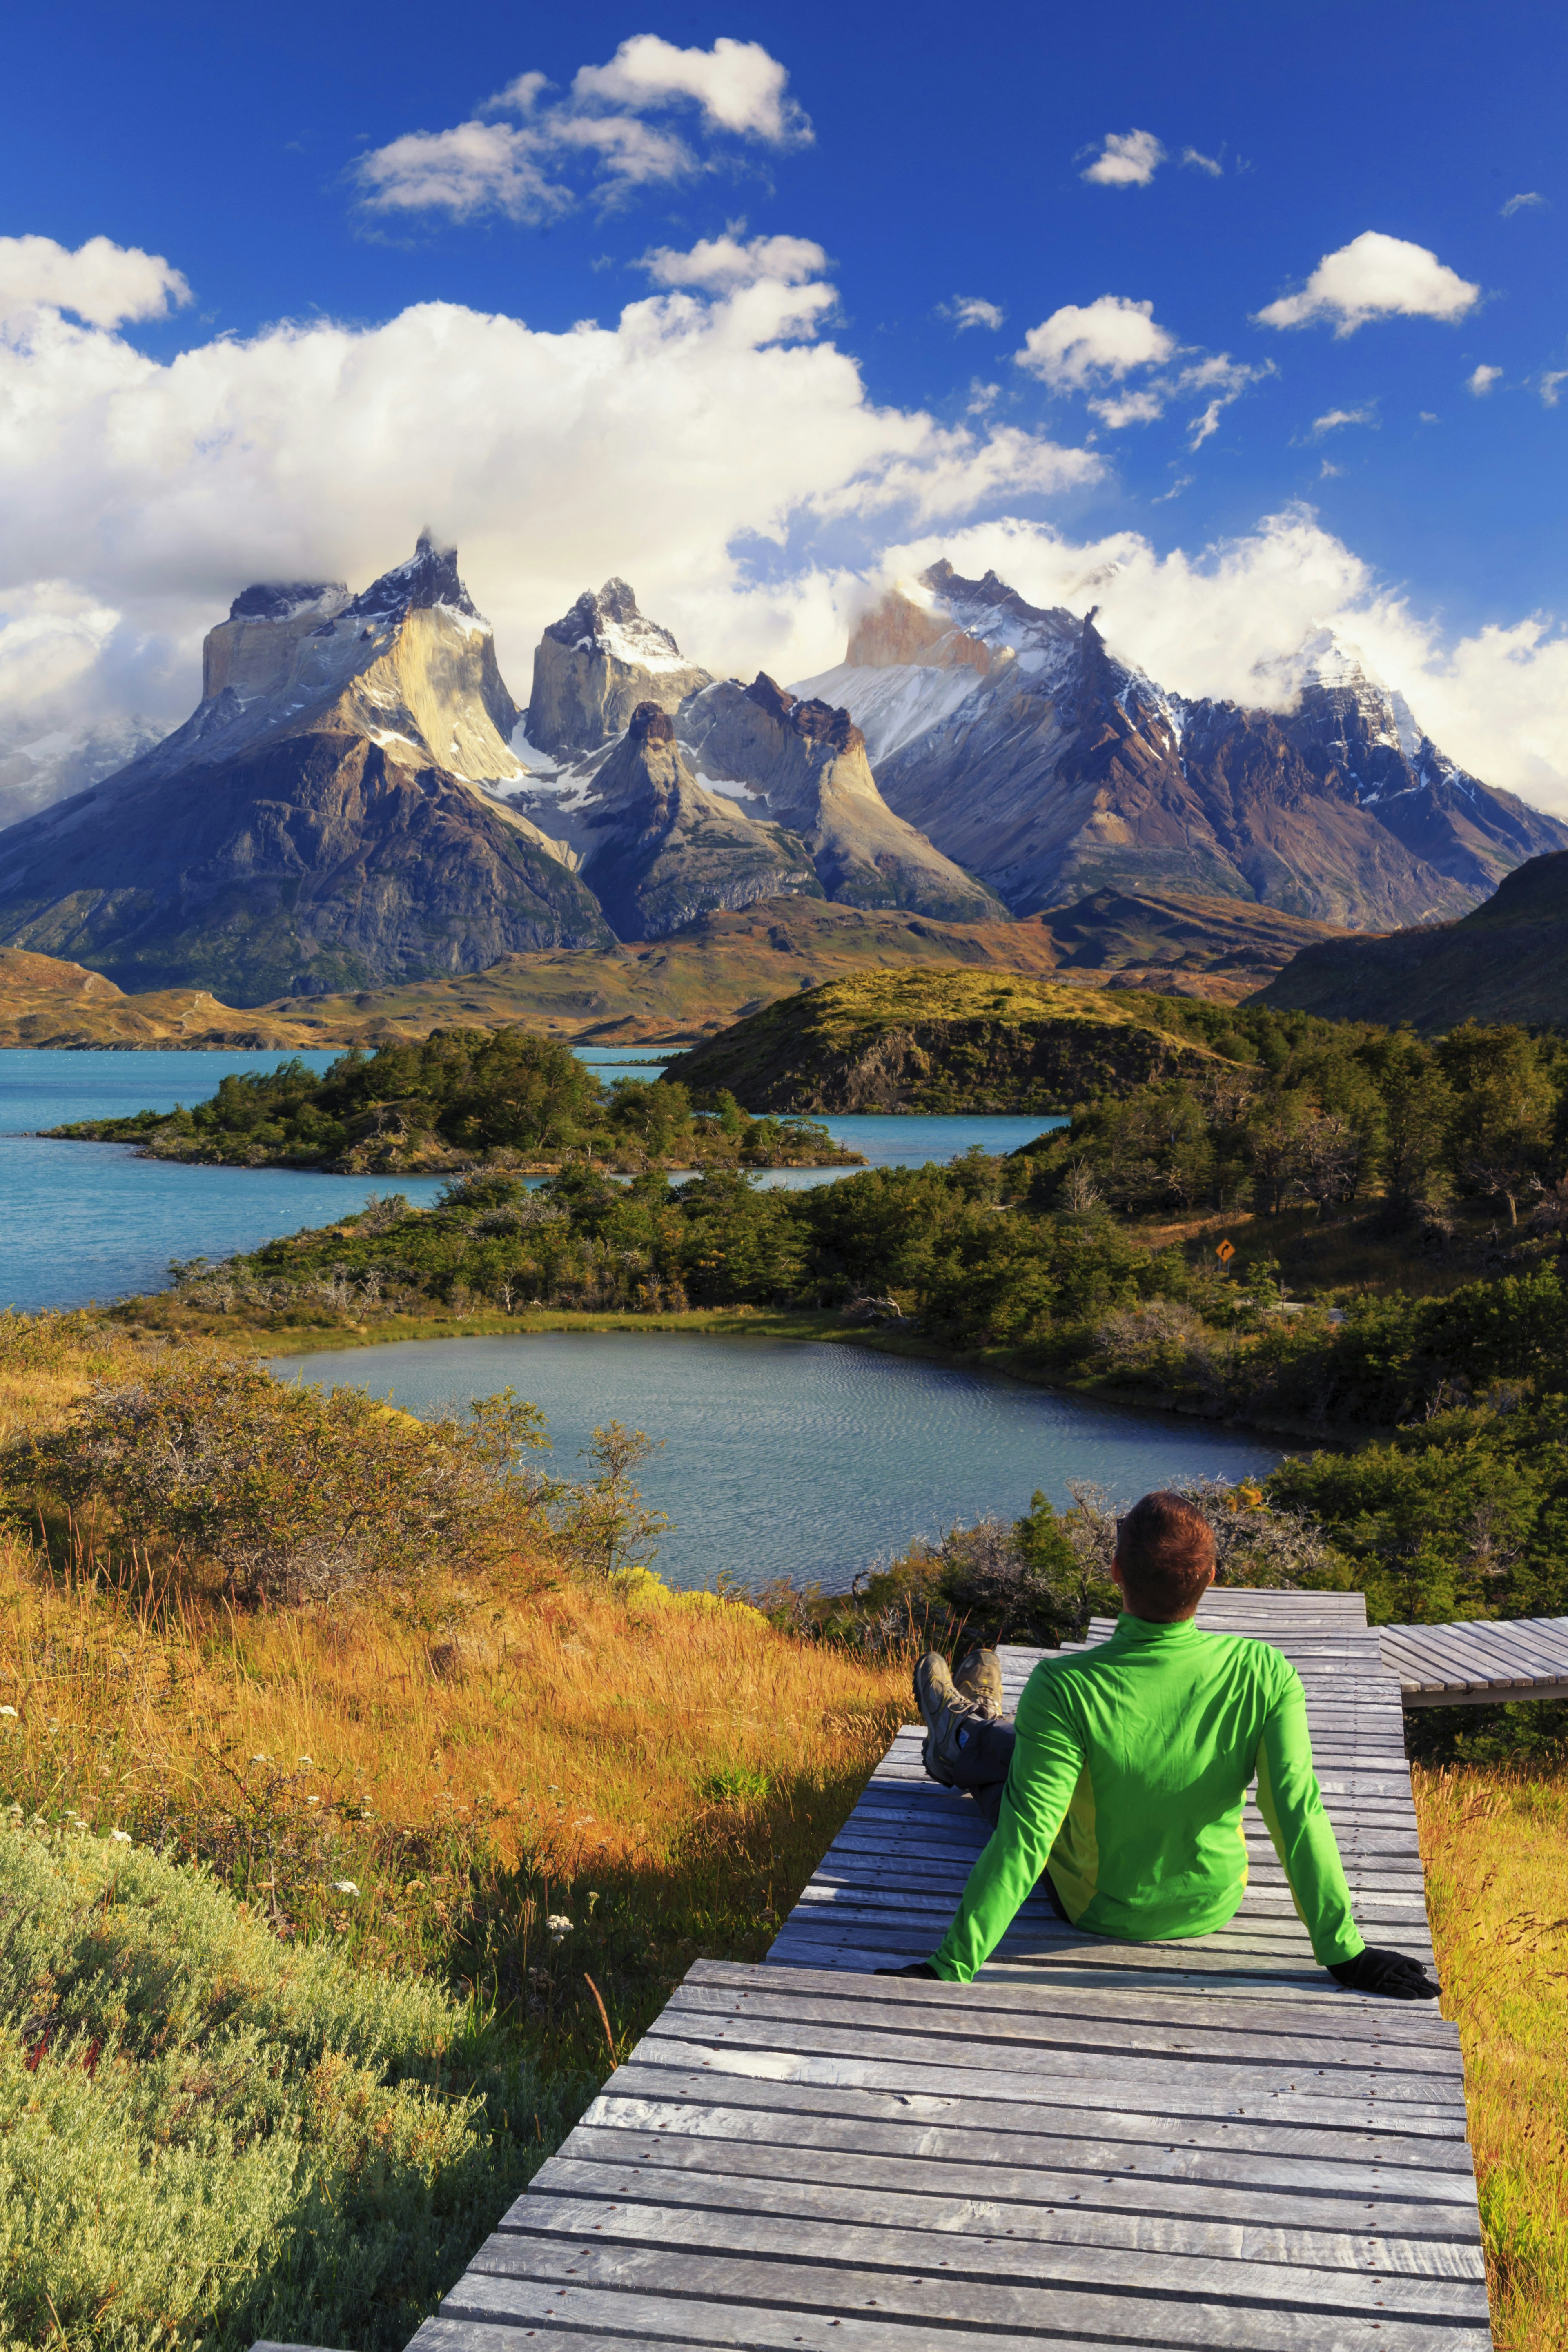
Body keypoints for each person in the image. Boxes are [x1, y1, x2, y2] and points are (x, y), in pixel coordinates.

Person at [882, 1489, 1439, 2000]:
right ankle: (968, 1726)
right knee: (1028, 1748)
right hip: (1211, 1905)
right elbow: (1297, 1807)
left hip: (1094, 1909)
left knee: (1008, 1778)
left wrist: (952, 1965)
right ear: (1212, 1577)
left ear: (1116, 1571)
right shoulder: (1265, 1673)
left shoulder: (1064, 1685)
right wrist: (1345, 1952)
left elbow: (1028, 1835)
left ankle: (957, 1734)